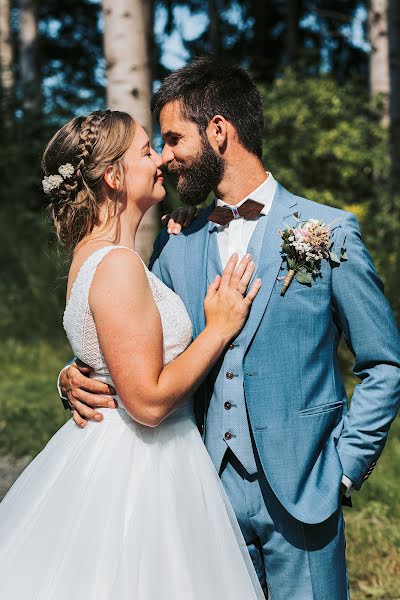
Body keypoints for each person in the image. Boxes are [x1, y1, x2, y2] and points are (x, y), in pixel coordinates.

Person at [64, 57, 400, 599]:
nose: (165, 157)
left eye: (173, 138)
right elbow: (130, 335)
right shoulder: (176, 242)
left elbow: (383, 363)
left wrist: (343, 468)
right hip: (198, 501)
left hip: (305, 497)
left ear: (218, 131)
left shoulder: (328, 232)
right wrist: (74, 373)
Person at [0, 109, 265, 599]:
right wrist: (219, 327)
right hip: (143, 470)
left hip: (121, 454)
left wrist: (69, 376)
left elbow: (107, 356)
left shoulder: (98, 255)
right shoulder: (118, 264)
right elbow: (145, 402)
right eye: (146, 151)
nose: (161, 159)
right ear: (113, 177)